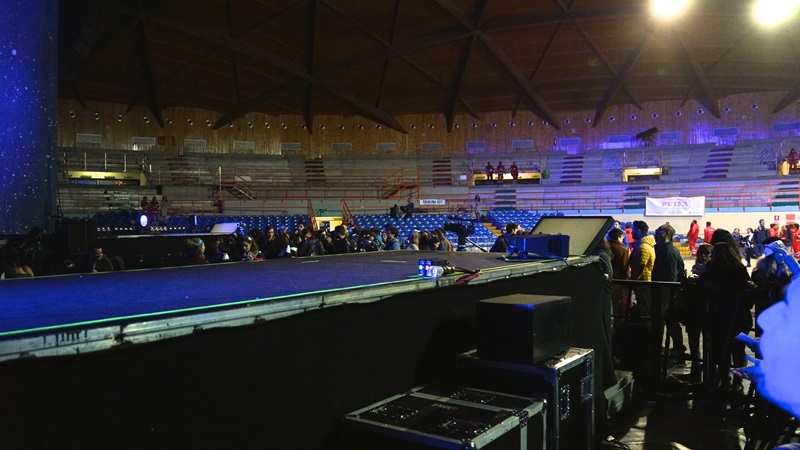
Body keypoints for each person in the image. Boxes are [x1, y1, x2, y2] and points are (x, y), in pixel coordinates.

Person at [699, 241, 753, 396]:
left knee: (724, 350)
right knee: (737, 351)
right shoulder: (738, 269)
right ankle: (736, 382)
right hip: (736, 316)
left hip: (723, 315)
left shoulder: (715, 270)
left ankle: (726, 381)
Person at [652, 223, 687, 365]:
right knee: (670, 322)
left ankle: (677, 351)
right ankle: (677, 350)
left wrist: (668, 295)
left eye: (659, 230)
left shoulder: (669, 251)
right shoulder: (664, 249)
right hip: (665, 292)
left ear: (666, 234)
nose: (656, 231)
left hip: (666, 293)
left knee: (668, 321)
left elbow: (670, 277)